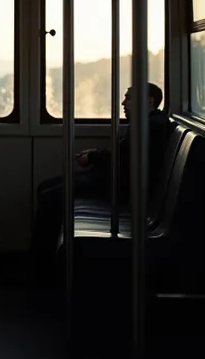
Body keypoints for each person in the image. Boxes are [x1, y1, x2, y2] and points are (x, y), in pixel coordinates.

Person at [30, 83, 171, 277]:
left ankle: (43, 271)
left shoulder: (150, 127)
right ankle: (44, 264)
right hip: (119, 180)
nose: (124, 103)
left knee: (50, 196)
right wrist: (95, 155)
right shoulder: (151, 124)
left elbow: (126, 160)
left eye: (129, 98)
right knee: (45, 187)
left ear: (149, 101)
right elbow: (125, 155)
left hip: (124, 187)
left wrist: (94, 157)